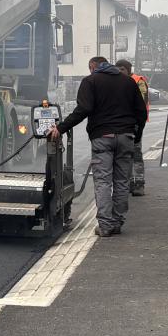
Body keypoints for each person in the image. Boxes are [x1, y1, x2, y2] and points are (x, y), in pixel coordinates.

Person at [49, 56, 145, 237]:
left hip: (102, 137)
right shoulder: (128, 82)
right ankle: (117, 223)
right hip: (126, 136)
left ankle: (106, 225)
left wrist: (61, 128)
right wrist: (136, 136)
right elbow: (141, 111)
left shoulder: (91, 81)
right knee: (122, 182)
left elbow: (83, 109)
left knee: (103, 182)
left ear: (93, 66)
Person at [115, 59, 149, 196]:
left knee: (136, 155)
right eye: (117, 69)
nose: (119, 72)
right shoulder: (115, 82)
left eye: (122, 69)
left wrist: (137, 126)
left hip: (135, 123)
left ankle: (139, 183)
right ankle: (128, 183)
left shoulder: (138, 81)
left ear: (128, 70)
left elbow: (141, 103)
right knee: (123, 156)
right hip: (120, 124)